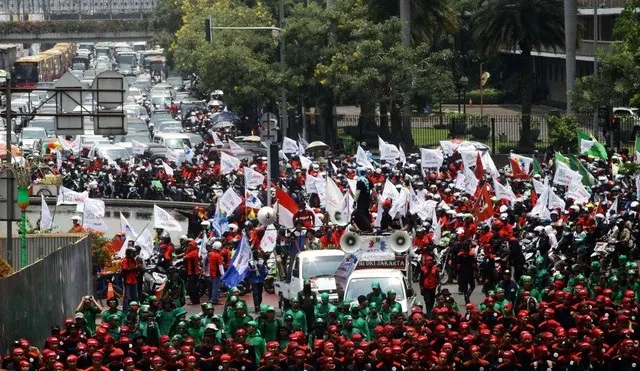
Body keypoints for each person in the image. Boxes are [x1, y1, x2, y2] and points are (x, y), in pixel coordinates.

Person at [184, 240, 201, 305]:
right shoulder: (192, 252)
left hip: (193, 273)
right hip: (191, 273)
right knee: (193, 287)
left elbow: (185, 257)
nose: (188, 247)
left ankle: (194, 300)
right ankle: (195, 300)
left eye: (190, 245)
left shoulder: (194, 252)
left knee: (191, 288)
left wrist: (187, 250)